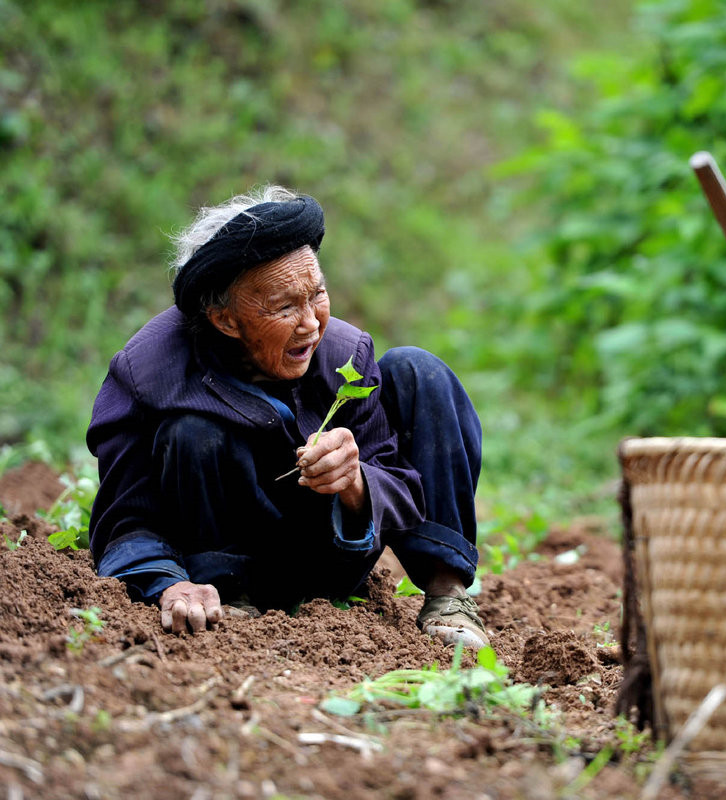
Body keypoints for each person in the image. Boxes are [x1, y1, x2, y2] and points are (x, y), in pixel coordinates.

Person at [86, 185, 487, 647]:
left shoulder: (345, 355)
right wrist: (168, 583)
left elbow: (399, 480)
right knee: (192, 430)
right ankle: (233, 599)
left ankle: (448, 593)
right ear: (225, 320)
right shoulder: (149, 375)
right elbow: (123, 519)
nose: (312, 324)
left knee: (419, 370)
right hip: (216, 576)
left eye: (317, 294)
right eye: (284, 307)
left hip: (330, 555)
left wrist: (356, 483)